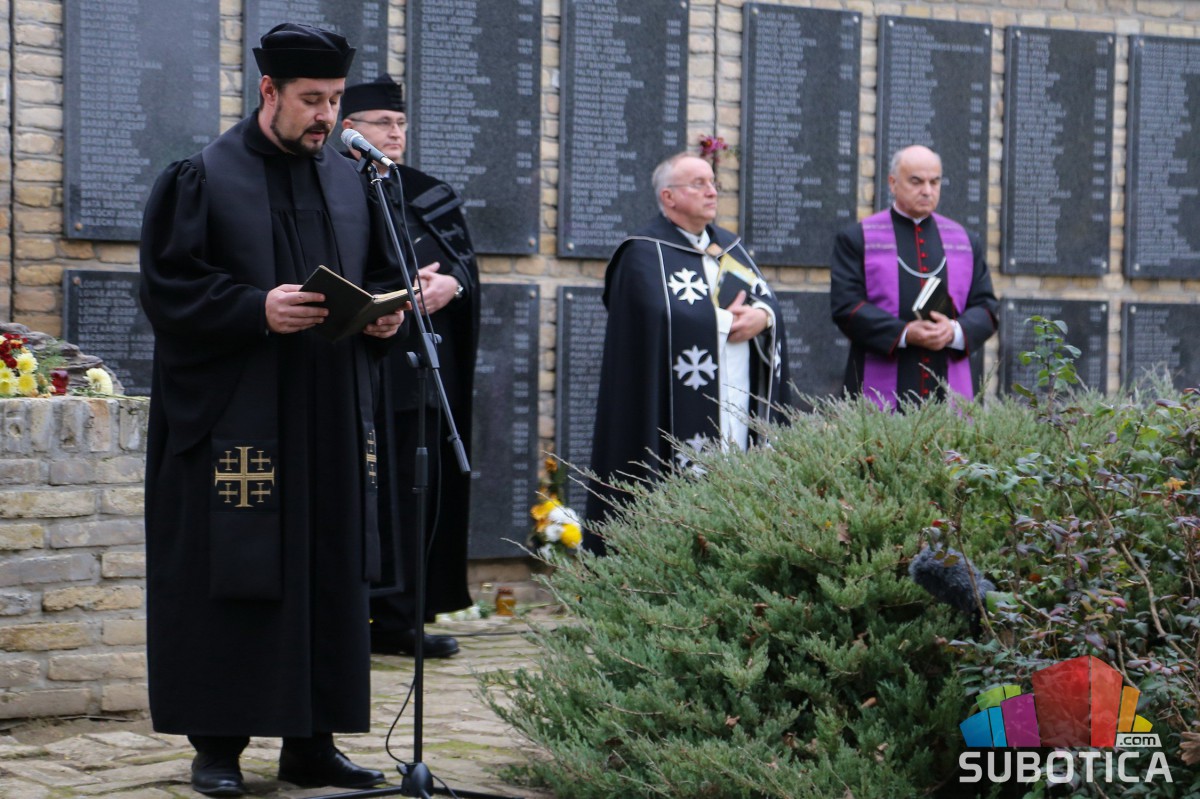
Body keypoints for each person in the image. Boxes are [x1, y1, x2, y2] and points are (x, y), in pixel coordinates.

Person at [139, 23, 407, 797]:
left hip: (328, 415)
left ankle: (312, 744)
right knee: (232, 575)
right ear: (269, 91)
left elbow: (378, 273)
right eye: (311, 100)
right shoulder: (201, 177)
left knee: (326, 571)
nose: (326, 116)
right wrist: (256, 308)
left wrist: (384, 317)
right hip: (236, 417)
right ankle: (218, 747)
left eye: (334, 100)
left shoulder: (352, 181)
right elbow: (167, 289)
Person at [585, 152, 792, 554]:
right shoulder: (642, 253)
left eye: (713, 182)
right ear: (669, 196)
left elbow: (767, 299)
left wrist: (764, 317)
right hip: (673, 405)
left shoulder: (730, 246)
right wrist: (724, 323)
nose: (711, 191)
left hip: (739, 397)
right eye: (698, 184)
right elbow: (652, 315)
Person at [339, 74, 480, 659]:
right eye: (383, 123)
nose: (395, 132)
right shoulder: (333, 185)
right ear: (350, 129)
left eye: (400, 123)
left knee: (415, 492)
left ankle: (405, 616)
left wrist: (451, 285)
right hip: (359, 368)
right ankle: (354, 615)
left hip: (419, 372)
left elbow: (466, 266)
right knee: (363, 497)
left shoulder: (427, 193)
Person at [830, 145, 999, 409]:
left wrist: (953, 331)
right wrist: (905, 333)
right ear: (893, 183)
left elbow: (987, 309)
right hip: (879, 385)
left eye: (935, 182)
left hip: (949, 384)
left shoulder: (966, 241)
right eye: (916, 181)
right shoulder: (857, 238)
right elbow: (846, 307)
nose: (927, 191)